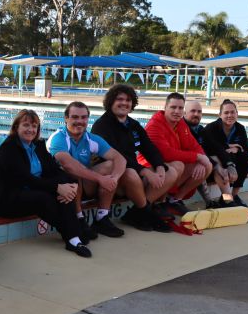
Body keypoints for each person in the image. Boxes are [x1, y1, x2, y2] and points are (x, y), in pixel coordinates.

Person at [0, 109, 91, 258]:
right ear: (16, 127)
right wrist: (57, 187)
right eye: (26, 125)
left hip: (33, 191)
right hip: (9, 199)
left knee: (64, 183)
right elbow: (25, 179)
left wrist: (72, 184)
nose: (30, 130)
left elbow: (53, 169)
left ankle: (73, 237)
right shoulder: (9, 148)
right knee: (46, 197)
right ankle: (73, 234)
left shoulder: (37, 145)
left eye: (34, 126)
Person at [91, 84, 180, 232]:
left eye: (128, 100)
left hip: (134, 177)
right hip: (114, 179)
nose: (124, 103)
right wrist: (145, 172)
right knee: (130, 172)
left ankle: (137, 212)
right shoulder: (102, 126)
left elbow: (149, 147)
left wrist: (158, 166)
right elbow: (118, 157)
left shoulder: (133, 125)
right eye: (120, 99)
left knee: (170, 171)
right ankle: (146, 212)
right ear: (111, 102)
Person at [47, 101, 126, 239]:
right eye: (75, 117)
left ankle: (102, 217)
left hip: (83, 186)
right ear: (66, 118)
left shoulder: (91, 139)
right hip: (60, 189)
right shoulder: (58, 138)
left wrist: (114, 179)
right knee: (72, 171)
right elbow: (68, 165)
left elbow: (120, 159)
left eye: (84, 117)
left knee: (110, 166)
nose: (80, 121)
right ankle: (79, 219)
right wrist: (101, 179)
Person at [141, 92, 212, 214]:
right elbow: (165, 154)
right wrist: (198, 156)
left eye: (180, 108)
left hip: (169, 168)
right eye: (173, 107)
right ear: (165, 108)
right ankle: (156, 204)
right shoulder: (155, 125)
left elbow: (193, 145)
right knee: (178, 165)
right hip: (149, 168)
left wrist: (201, 159)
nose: (177, 111)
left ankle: (175, 200)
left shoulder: (180, 123)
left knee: (207, 165)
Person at [183, 100, 236, 207]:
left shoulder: (200, 130)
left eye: (199, 112)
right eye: (193, 111)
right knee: (205, 164)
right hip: (187, 167)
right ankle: (209, 202)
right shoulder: (181, 129)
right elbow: (193, 153)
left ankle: (228, 200)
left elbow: (216, 147)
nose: (196, 114)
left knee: (220, 164)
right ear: (185, 113)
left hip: (204, 164)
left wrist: (230, 164)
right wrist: (215, 165)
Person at [203, 99, 248, 207]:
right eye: (226, 113)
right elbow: (213, 149)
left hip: (231, 164)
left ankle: (234, 195)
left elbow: (247, 149)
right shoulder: (211, 128)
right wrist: (230, 146)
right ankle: (227, 198)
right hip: (214, 166)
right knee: (221, 158)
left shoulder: (239, 128)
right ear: (220, 115)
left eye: (232, 112)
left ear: (237, 114)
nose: (230, 115)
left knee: (246, 158)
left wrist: (238, 149)